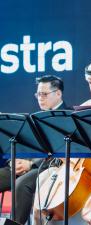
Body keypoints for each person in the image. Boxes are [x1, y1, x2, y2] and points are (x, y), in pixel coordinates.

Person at [0, 75, 69, 224]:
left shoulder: (68, 116)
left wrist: (31, 165)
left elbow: (60, 150)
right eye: (38, 94)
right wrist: (15, 159)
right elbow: (23, 142)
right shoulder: (34, 116)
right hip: (23, 165)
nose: (40, 98)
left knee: (22, 184)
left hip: (50, 167)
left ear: (58, 93)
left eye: (44, 94)